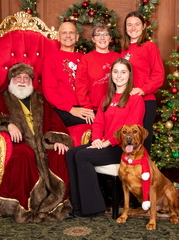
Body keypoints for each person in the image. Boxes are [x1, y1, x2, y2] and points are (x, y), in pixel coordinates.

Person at [0, 63, 73, 223]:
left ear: (31, 81)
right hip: (20, 144)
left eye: (26, 77)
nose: (22, 80)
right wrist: (8, 124)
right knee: (24, 156)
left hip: (43, 143)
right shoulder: (1, 98)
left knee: (59, 154)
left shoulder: (39, 98)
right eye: (18, 77)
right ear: (11, 80)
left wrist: (57, 139)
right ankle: (25, 206)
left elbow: (54, 121)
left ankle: (57, 204)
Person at [66, 58, 145, 217]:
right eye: (115, 72)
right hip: (104, 144)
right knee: (71, 153)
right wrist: (96, 139)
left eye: (123, 72)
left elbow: (130, 130)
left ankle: (94, 208)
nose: (119, 76)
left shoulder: (135, 99)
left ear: (129, 75)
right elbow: (98, 123)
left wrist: (108, 142)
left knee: (82, 156)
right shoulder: (106, 98)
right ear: (111, 75)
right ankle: (77, 206)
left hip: (122, 148)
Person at [121, 11, 165, 153]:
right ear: (125, 28)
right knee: (127, 139)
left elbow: (159, 75)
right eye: (129, 25)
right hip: (127, 101)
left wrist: (142, 89)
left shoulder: (149, 47)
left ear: (144, 26)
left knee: (142, 140)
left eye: (137, 24)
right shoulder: (124, 50)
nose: (133, 28)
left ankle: (143, 171)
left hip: (145, 100)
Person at [43, 22, 94, 126]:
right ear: (58, 37)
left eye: (71, 32)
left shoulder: (84, 58)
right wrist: (71, 109)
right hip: (62, 109)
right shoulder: (51, 59)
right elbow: (49, 91)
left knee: (107, 119)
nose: (68, 36)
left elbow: (91, 87)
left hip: (84, 106)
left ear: (77, 37)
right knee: (95, 122)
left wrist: (88, 108)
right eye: (64, 33)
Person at [75, 23, 119, 120]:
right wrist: (87, 108)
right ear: (93, 39)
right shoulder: (86, 59)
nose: (102, 38)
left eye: (105, 34)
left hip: (115, 106)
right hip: (93, 108)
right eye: (98, 35)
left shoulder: (118, 57)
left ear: (110, 38)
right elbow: (81, 85)